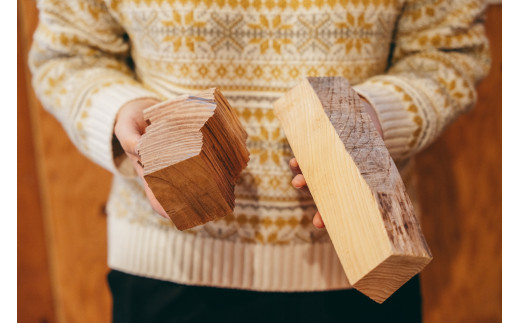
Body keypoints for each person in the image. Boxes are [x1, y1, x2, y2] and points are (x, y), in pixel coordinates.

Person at [29, 0, 490, 322]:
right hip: (168, 272)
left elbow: (448, 55)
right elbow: (68, 54)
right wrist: (125, 113)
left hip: (363, 269)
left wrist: (374, 116)